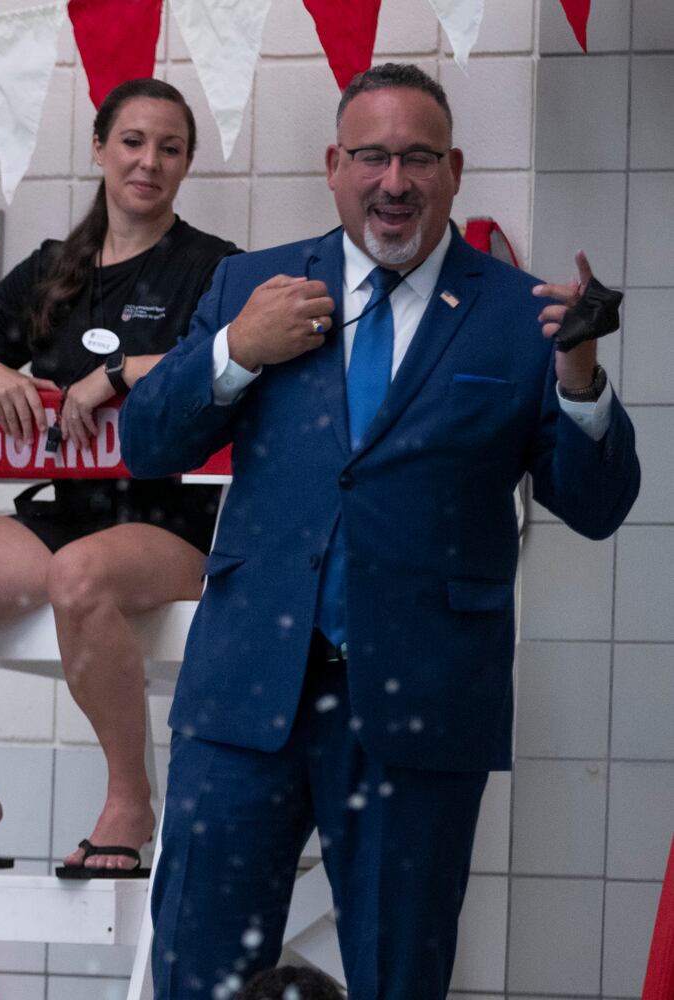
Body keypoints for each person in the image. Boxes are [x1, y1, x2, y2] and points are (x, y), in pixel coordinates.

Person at [119, 63, 640, 998]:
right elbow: (149, 441)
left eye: (416, 158)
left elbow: (598, 508)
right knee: (196, 972)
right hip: (247, 699)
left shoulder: (520, 317)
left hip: (419, 708)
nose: (392, 180)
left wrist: (580, 382)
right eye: (371, 155)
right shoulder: (252, 283)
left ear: (453, 169)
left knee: (399, 977)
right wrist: (236, 347)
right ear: (333, 165)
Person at [0, 78, 239, 876]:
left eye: (170, 148)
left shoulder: (213, 268)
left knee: (80, 576)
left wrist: (121, 370)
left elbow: (229, 356)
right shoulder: (54, 268)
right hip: (68, 513)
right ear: (99, 148)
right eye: (134, 142)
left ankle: (129, 799)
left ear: (186, 165)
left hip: (173, 523)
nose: (150, 162)